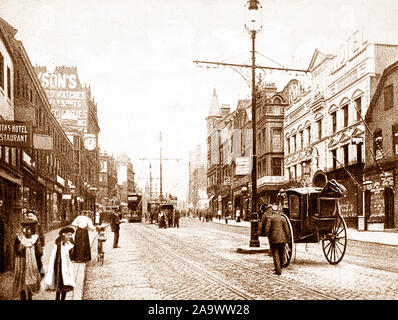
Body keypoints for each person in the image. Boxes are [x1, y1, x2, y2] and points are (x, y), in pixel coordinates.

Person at [12, 217, 42, 300]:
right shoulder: (19, 237)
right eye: (26, 227)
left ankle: (29, 295)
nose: (28, 230)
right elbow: (15, 249)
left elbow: (39, 252)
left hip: (31, 261)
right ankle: (23, 295)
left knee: (30, 278)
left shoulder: (35, 238)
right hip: (22, 261)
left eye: (30, 227)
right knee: (23, 279)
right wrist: (20, 248)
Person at [44, 226, 75, 300]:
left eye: (71, 235)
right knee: (59, 282)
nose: (70, 236)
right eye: (68, 235)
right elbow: (55, 256)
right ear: (64, 235)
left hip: (66, 267)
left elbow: (72, 256)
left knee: (66, 283)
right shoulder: (58, 244)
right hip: (59, 266)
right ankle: (57, 297)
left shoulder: (70, 244)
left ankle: (63, 298)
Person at [265, 203, 291, 275]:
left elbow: (267, 229)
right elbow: (287, 230)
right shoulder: (283, 218)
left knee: (275, 253)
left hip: (274, 239)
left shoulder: (270, 218)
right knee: (281, 253)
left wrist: (268, 236)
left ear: (272, 211)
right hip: (283, 239)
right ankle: (281, 266)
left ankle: (278, 270)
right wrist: (287, 239)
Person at [25, 210, 45, 278]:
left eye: (31, 216)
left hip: (37, 244)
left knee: (38, 259)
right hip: (29, 245)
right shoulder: (26, 225)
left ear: (34, 217)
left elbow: (41, 235)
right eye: (28, 216)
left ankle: (42, 273)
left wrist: (43, 245)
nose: (30, 217)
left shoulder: (37, 225)